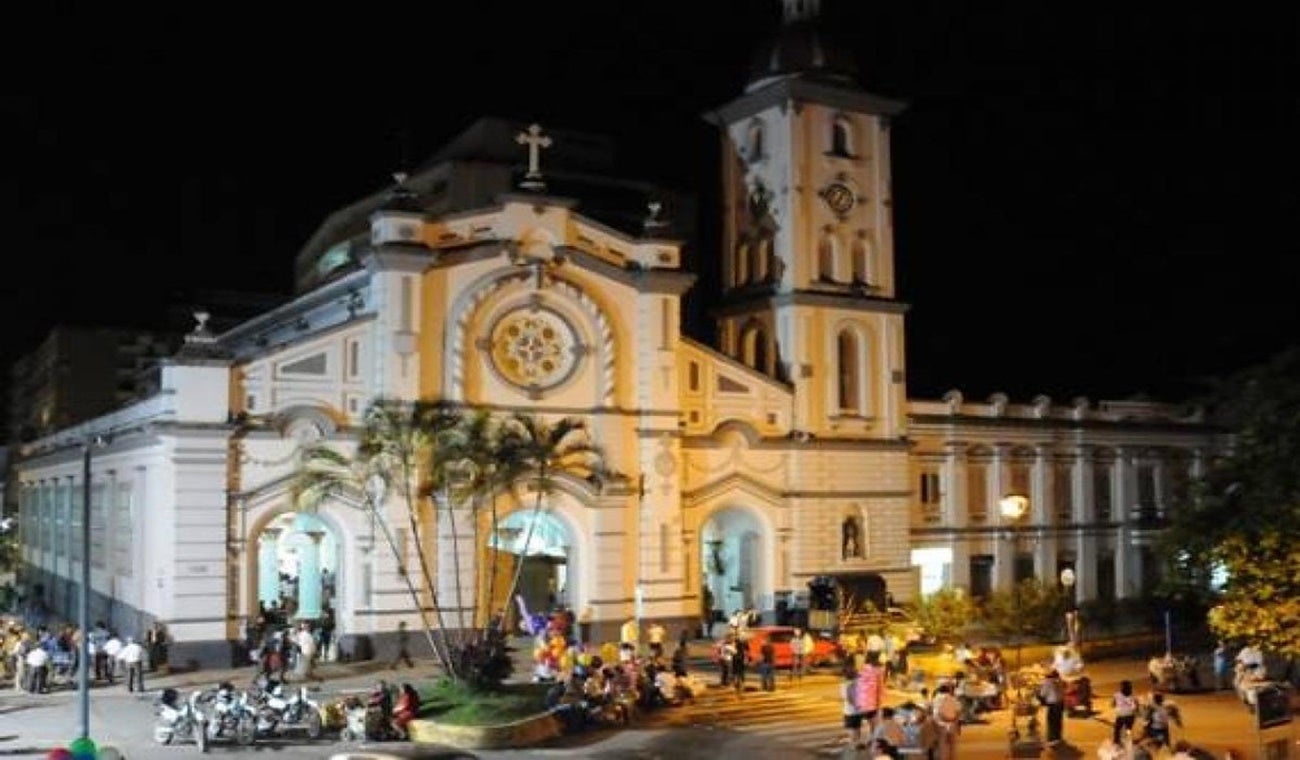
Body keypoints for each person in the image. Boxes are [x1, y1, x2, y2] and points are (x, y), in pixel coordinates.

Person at [840, 660, 864, 749]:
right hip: (859, 708)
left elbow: (846, 698)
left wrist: (853, 704)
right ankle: (858, 742)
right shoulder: (858, 681)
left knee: (851, 728)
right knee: (858, 727)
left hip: (849, 710)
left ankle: (854, 744)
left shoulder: (845, 684)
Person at [1037, 669, 1066, 744]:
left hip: (1053, 704)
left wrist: (1038, 695)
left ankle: (1052, 739)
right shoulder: (1060, 681)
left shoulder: (1047, 682)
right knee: (1058, 721)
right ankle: (1058, 737)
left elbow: (1043, 694)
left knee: (1051, 721)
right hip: (1060, 703)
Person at [1111, 679, 1138, 745]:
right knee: (1128, 728)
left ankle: (1116, 741)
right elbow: (1137, 705)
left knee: (1117, 729)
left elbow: (1112, 705)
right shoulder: (1133, 695)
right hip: (1130, 715)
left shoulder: (1116, 695)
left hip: (1121, 715)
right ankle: (1128, 738)